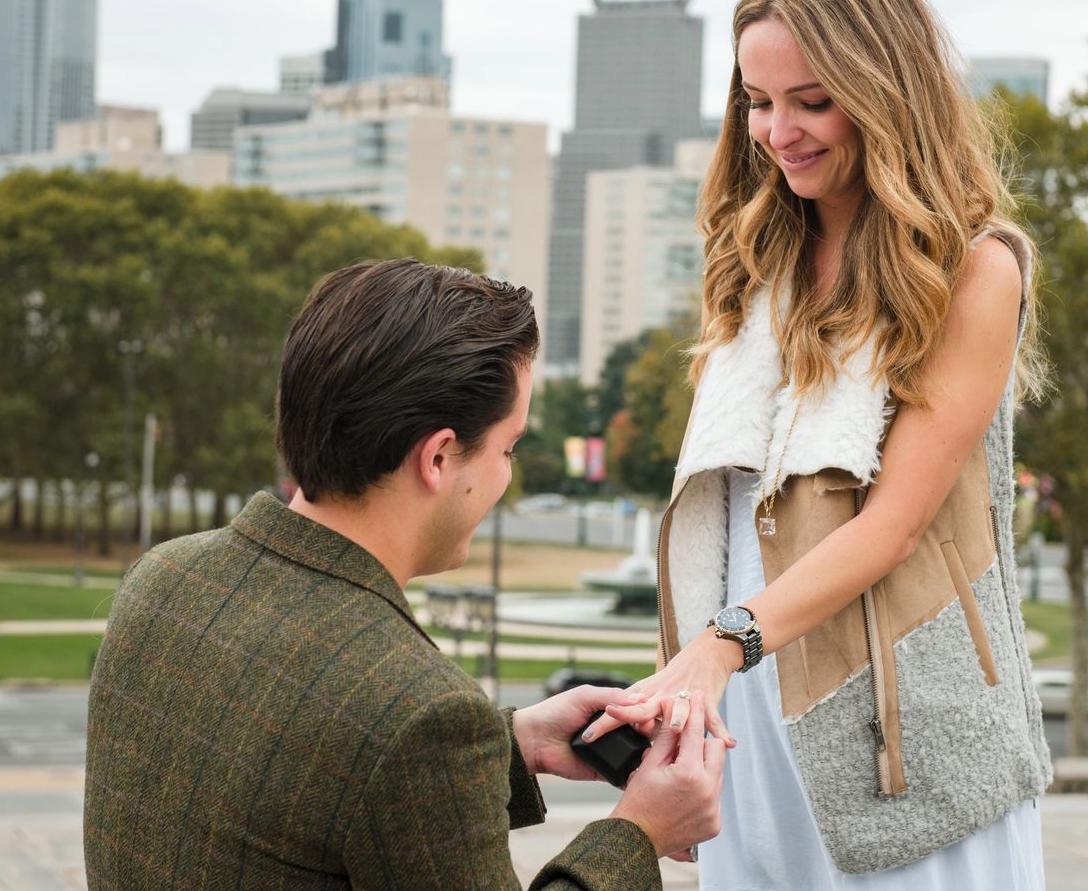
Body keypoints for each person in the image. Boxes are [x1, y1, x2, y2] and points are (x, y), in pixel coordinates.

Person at [588, 0, 1052, 887]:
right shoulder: (757, 264)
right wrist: (692, 698)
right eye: (759, 102)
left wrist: (722, 646)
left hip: (907, 727)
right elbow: (730, 515)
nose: (778, 131)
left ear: (885, 91)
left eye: (811, 101)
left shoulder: (974, 268)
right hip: (756, 705)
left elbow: (893, 523)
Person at [84, 260, 724, 889]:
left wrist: (508, 743)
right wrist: (639, 833)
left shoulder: (163, 579)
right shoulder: (419, 712)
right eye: (509, 448)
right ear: (440, 457)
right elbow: (377, 740)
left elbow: (296, 791)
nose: (507, 472)